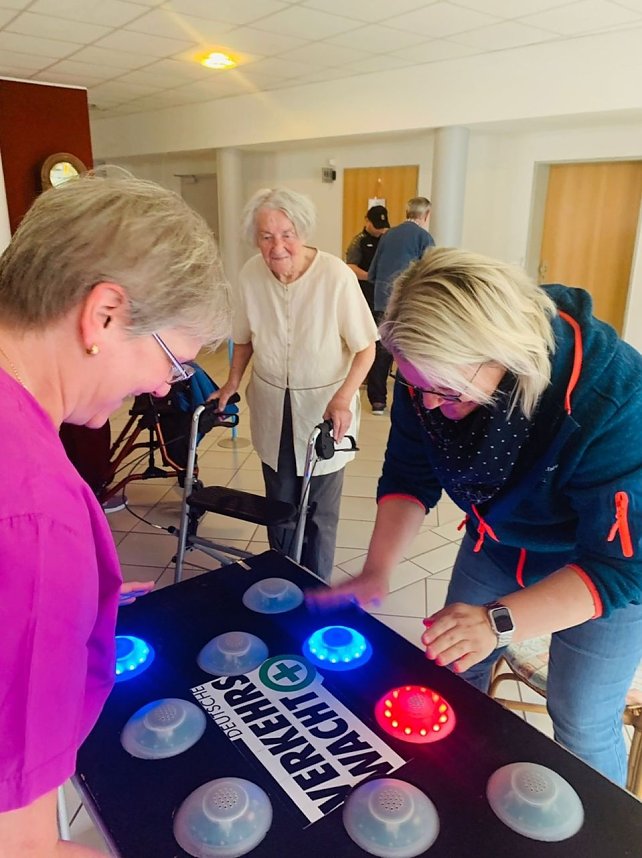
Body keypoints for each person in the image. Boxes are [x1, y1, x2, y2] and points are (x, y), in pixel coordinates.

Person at [310, 248, 642, 787]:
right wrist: (376, 570)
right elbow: (410, 473)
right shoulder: (425, 373)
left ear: (506, 357)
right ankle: (458, 787)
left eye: (448, 392)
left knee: (581, 718)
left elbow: (619, 567)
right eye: (419, 388)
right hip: (499, 540)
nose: (430, 405)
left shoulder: (613, 396)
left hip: (602, 567)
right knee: (455, 670)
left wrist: (497, 622)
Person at [0, 170, 230, 855]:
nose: (162, 388)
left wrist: (68, 607)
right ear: (103, 314)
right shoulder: (36, 514)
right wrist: (47, 583)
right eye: (173, 362)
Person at [213, 188, 377, 582]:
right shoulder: (250, 274)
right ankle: (283, 577)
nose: (277, 246)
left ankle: (315, 587)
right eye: (266, 236)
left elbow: (366, 348)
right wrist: (231, 382)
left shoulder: (335, 275)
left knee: (319, 508)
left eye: (287, 234)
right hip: (272, 406)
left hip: (325, 408)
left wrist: (343, 398)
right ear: (255, 238)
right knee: (280, 502)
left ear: (302, 232)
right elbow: (244, 339)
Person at [366, 196, 435, 415]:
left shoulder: (388, 235)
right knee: (407, 351)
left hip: (381, 300)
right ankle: (408, 403)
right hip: (407, 302)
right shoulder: (424, 237)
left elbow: (372, 273)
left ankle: (377, 401)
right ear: (426, 215)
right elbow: (430, 275)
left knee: (381, 349)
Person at [345, 204, 390, 314]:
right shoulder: (359, 241)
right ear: (367, 221)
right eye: (377, 227)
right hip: (365, 293)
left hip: (384, 294)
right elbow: (350, 267)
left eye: (382, 227)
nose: (380, 231)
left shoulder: (387, 239)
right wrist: (371, 276)